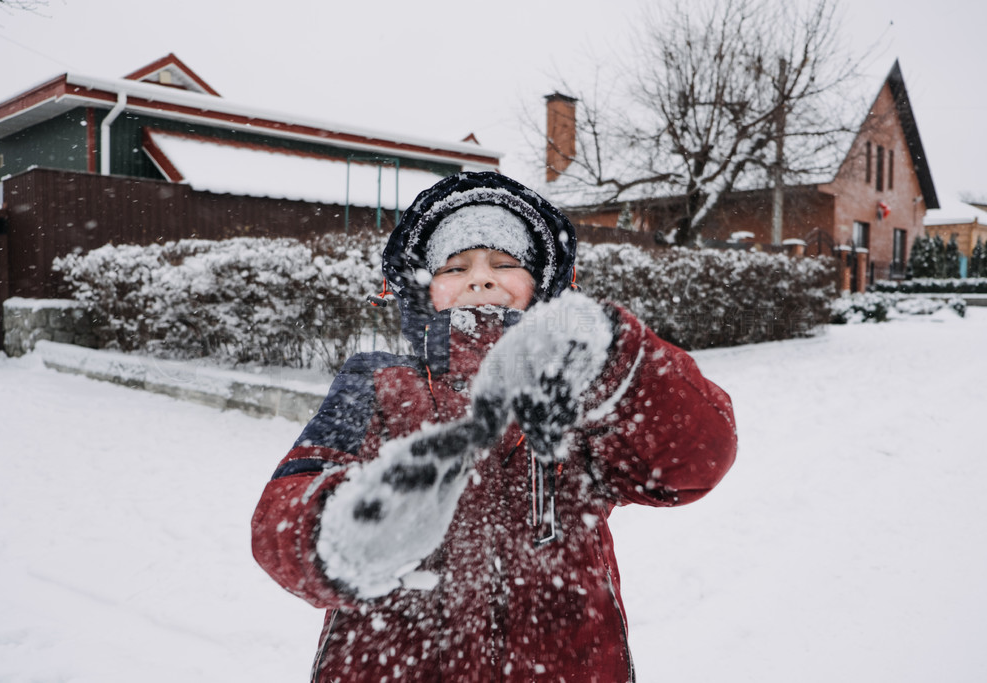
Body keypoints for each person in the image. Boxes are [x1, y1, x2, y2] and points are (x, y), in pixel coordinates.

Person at [251, 171, 736, 682]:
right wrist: (344, 530)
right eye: (455, 267)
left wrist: (618, 356)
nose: (481, 280)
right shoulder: (372, 383)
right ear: (424, 289)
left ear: (541, 286)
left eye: (504, 264)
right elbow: (279, 518)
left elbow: (694, 458)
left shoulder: (580, 393)